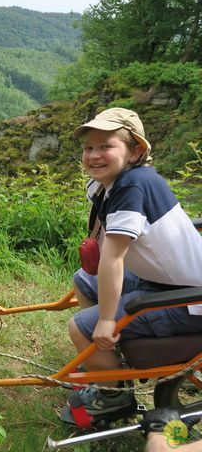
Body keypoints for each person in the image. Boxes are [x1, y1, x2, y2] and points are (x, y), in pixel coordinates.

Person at [62, 107, 202, 420]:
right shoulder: (112, 182)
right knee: (84, 281)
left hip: (189, 298)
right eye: (88, 147)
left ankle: (113, 397)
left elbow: (113, 258)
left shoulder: (131, 187)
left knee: (79, 327)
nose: (94, 155)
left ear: (136, 150)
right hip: (164, 279)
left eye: (106, 146)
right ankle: (104, 360)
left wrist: (107, 321)